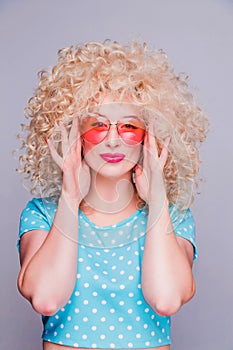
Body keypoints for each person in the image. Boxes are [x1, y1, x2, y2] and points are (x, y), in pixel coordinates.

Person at [16, 40, 208, 350]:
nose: (114, 141)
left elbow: (167, 299)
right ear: (74, 133)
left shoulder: (172, 217)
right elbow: (46, 298)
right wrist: (69, 195)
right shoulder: (43, 214)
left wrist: (157, 199)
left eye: (129, 126)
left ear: (150, 135)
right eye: (98, 125)